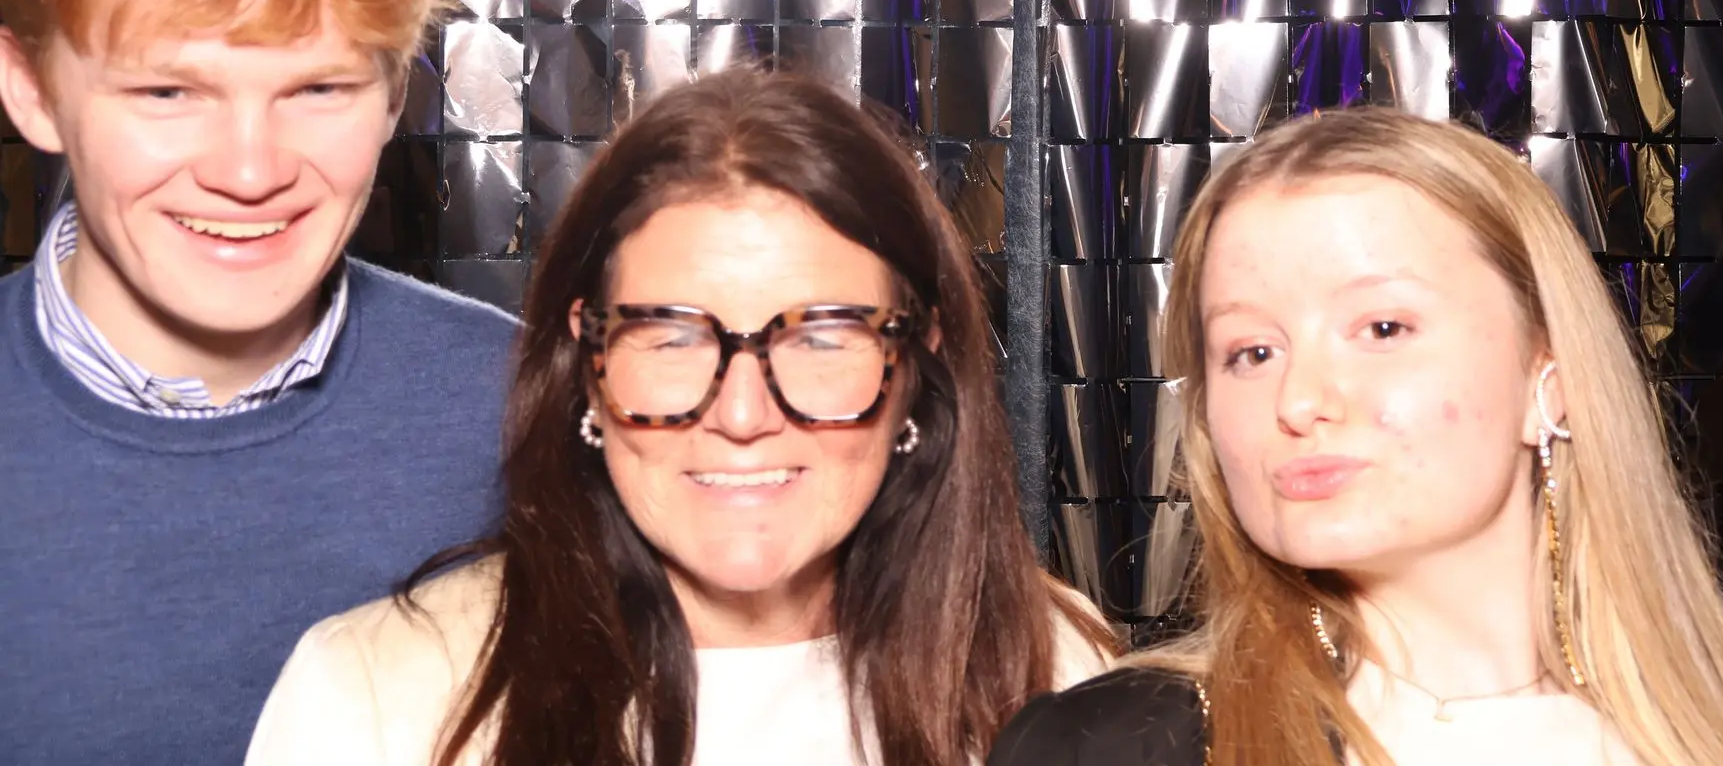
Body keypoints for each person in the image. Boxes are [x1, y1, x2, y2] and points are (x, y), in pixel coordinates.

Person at [247, 68, 1114, 766]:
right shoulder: (372, 702)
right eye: (672, 338)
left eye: (820, 337)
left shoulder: (1058, 673)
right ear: (586, 366)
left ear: (916, 369)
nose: (741, 413)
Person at [989, 108, 1723, 766]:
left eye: (1382, 328)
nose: (1298, 400)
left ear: (1550, 381)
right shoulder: (1111, 746)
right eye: (1251, 351)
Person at [0, 0, 515, 764]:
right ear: (31, 90)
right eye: (168, 91)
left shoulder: (529, 411)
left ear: (394, 96)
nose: (249, 170)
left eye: (319, 88)